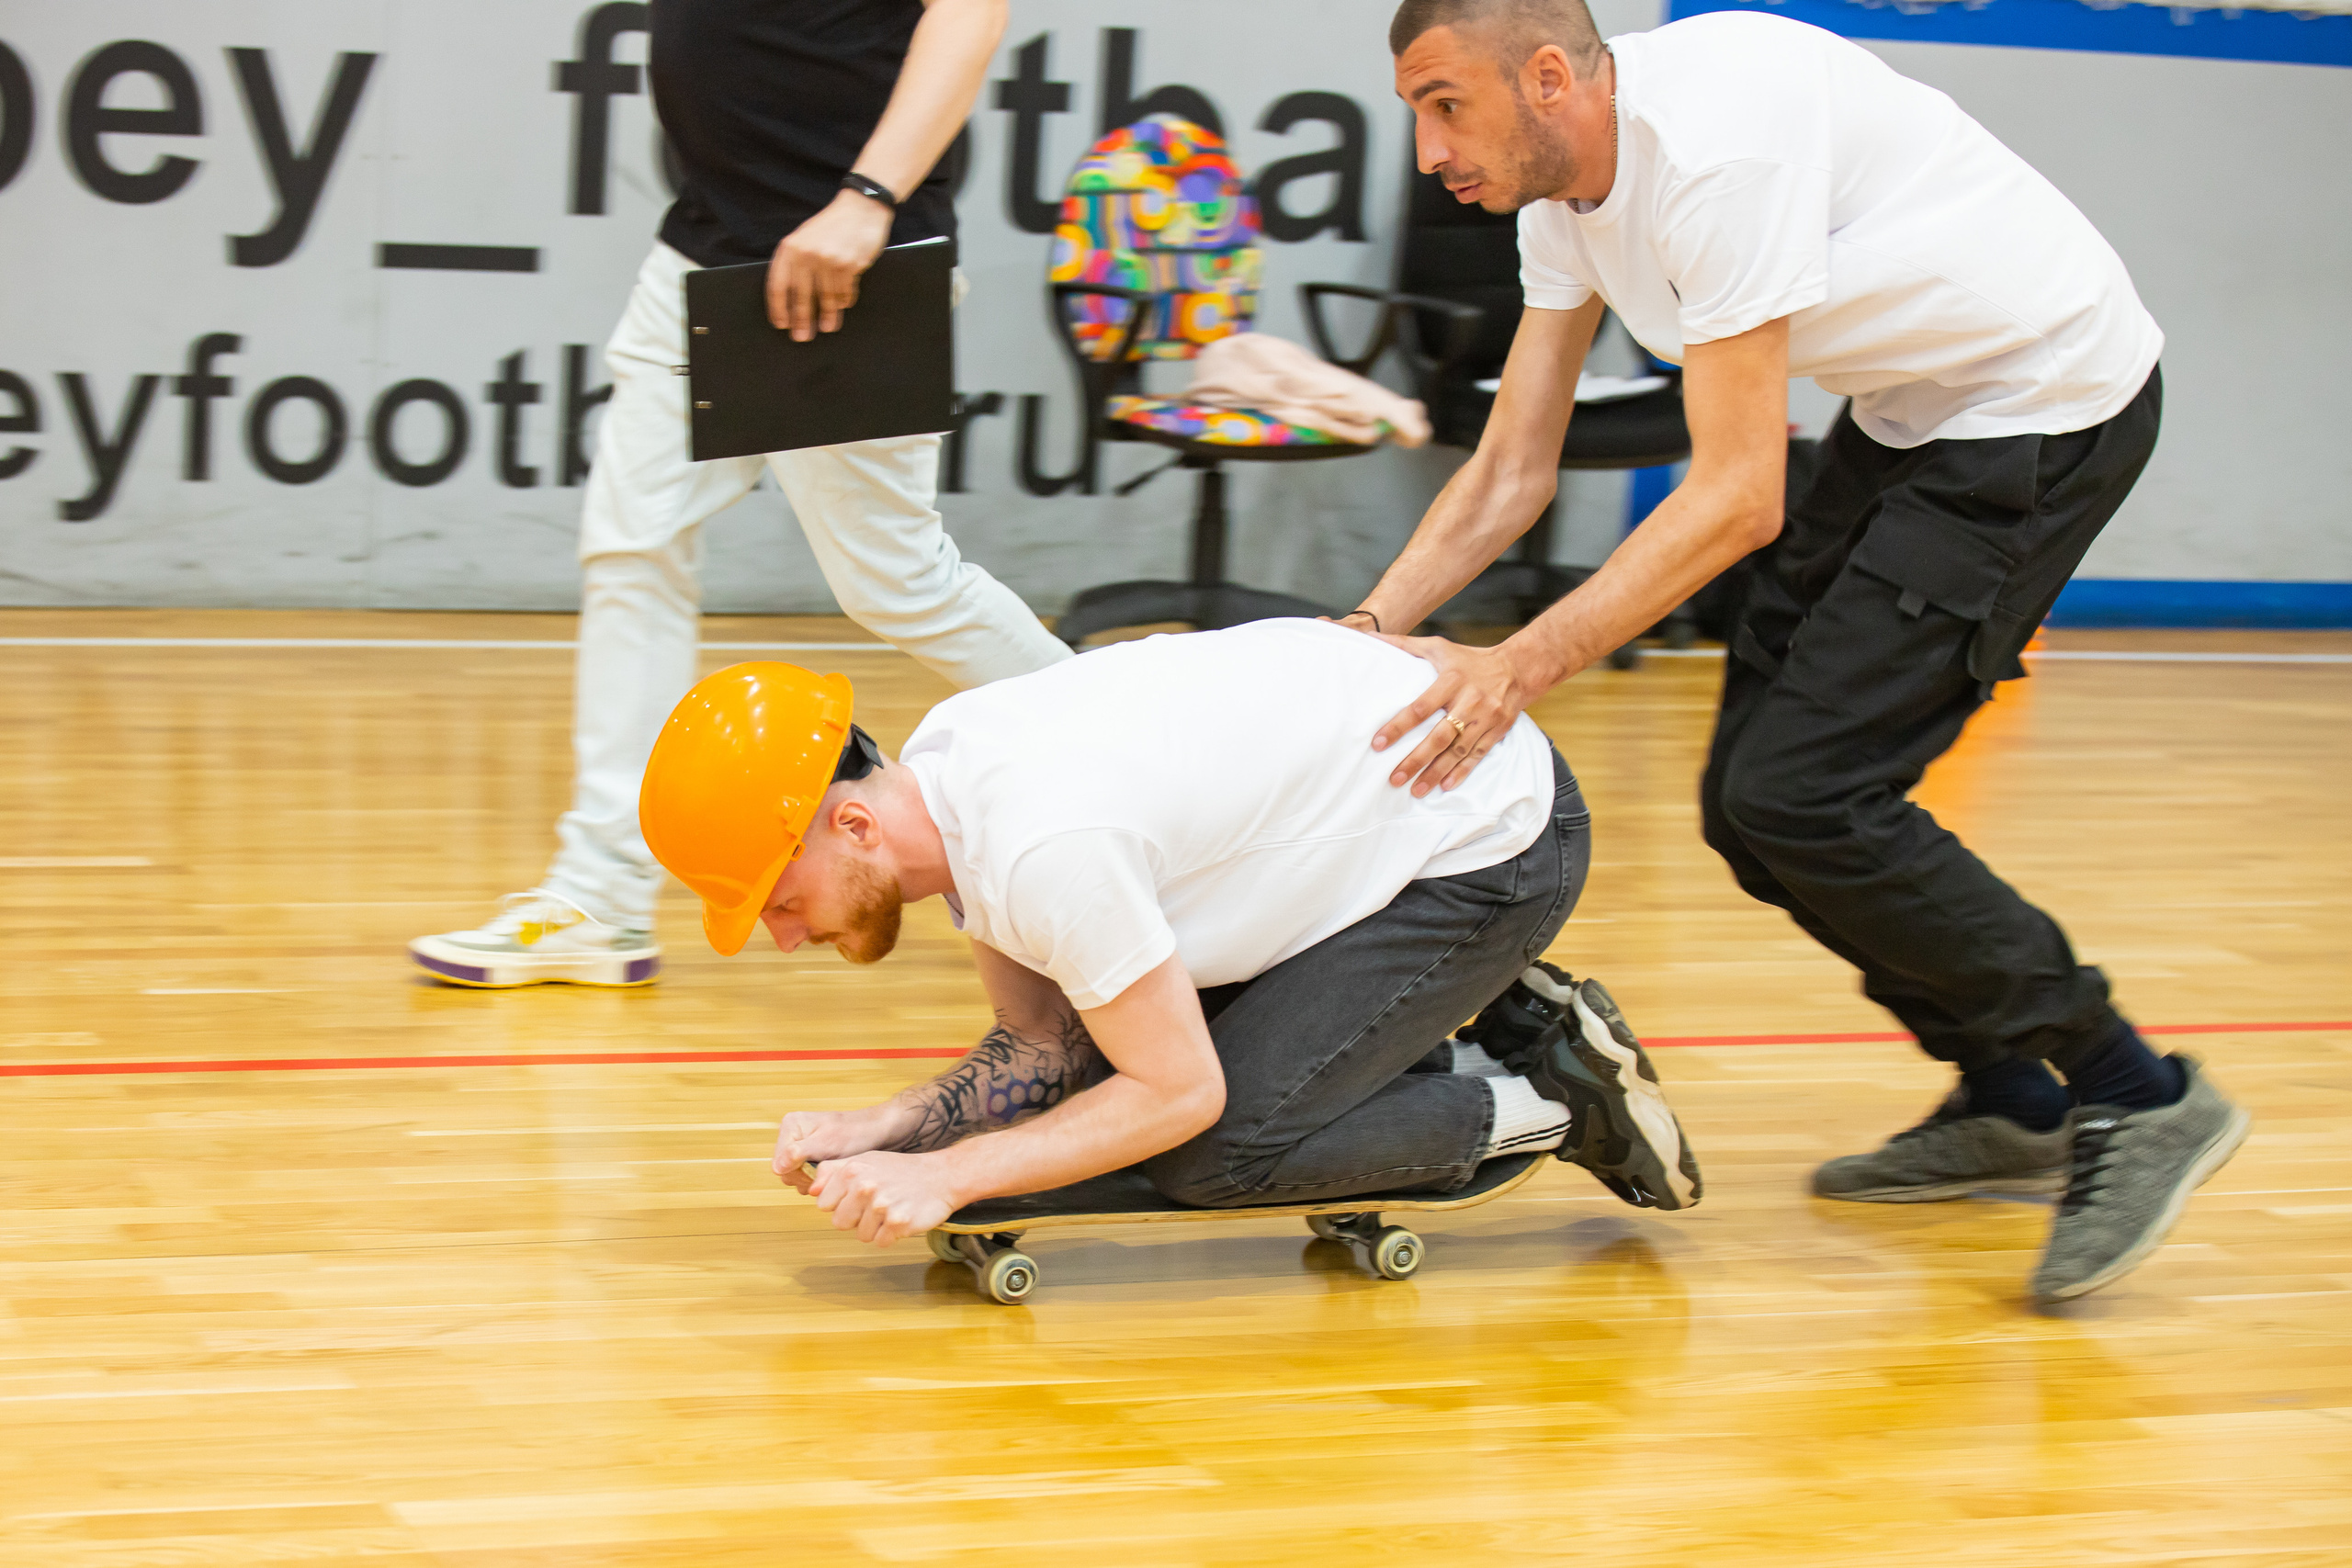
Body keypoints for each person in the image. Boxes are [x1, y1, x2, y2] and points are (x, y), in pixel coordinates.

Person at [1345, 0, 2247, 1304]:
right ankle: (2009, 1092)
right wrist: (1370, 627)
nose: (1431, 153)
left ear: (1548, 77)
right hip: (1908, 414)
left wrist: (1515, 666)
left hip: (2043, 406)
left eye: (1444, 105)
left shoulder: (1713, 154)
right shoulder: (1557, 198)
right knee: (1751, 809)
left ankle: (2133, 1087)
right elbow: (1511, 466)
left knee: (1807, 793)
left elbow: (1737, 498)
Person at [634, 619, 1702, 1242]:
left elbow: (1179, 1094)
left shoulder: (1045, 844)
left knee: (1218, 1153)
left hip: (1491, 847)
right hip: (1390, 812)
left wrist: (952, 1175)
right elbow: (1043, 1045)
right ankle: (1454, 1023)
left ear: (853, 824)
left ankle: (1545, 1096)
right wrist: (891, 1127)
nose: (781, 936)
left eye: (777, 898)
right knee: (1137, 1061)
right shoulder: (949, 763)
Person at [409, 0, 1069, 990]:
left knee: (898, 582)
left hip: (839, 256)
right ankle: (599, 896)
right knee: (633, 546)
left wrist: (866, 198)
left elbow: (968, 15)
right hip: (706, 242)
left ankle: (1137, 749)